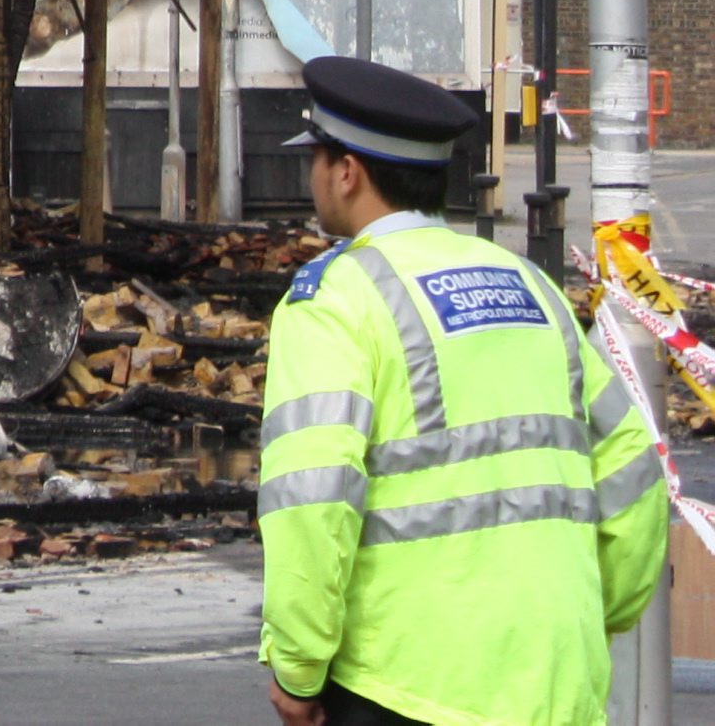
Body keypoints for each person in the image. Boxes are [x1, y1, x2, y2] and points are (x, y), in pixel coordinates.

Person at [255, 52, 664, 726]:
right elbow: (632, 470)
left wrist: (299, 670)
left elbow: (311, 498)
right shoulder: (530, 286)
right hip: (558, 684)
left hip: (407, 688)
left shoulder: (335, 300)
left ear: (347, 172)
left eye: (316, 159)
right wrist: (592, 612)